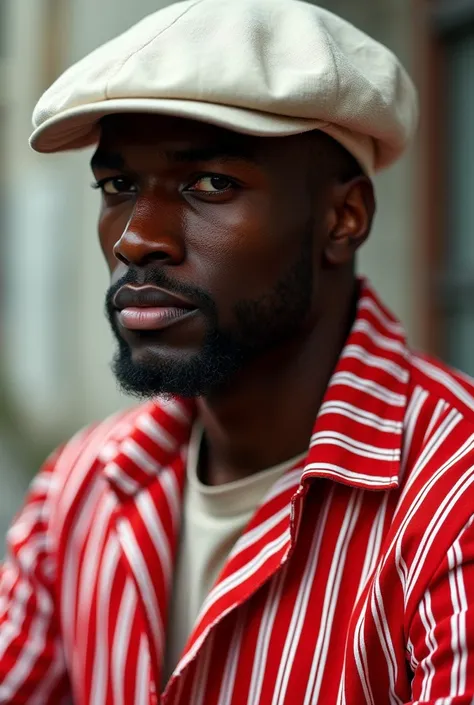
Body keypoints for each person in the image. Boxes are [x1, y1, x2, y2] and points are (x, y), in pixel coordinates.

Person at [1, 0, 473, 703]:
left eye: (211, 184)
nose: (136, 239)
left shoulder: (452, 498)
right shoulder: (78, 490)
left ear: (344, 218)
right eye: (118, 185)